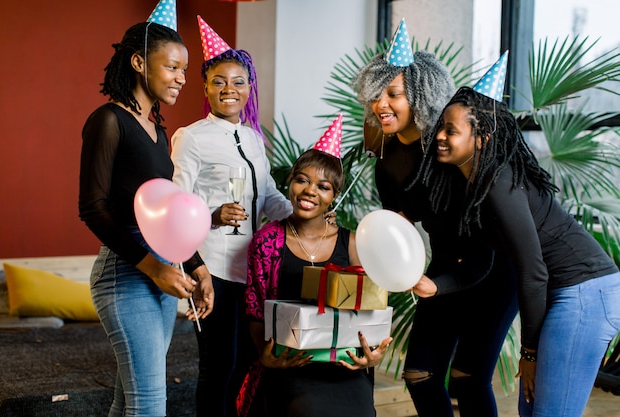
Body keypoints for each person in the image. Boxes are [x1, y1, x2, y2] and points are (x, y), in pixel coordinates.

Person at [352, 19, 518, 417]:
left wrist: (438, 283)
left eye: (393, 93)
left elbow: (483, 245)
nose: (381, 104)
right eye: (376, 94)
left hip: (494, 269)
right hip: (445, 264)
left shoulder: (450, 148)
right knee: (420, 375)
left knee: (468, 378)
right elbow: (398, 224)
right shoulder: (384, 154)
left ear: (421, 94)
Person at [423, 83, 620, 417]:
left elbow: (533, 271)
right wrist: (437, 286)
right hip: (564, 292)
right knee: (530, 408)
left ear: (481, 137)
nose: (439, 135)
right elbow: (481, 263)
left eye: (450, 130)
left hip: (586, 292)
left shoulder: (498, 182)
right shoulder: (473, 185)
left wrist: (529, 353)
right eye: (441, 126)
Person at [78, 4, 214, 416]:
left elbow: (168, 213)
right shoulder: (107, 121)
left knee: (129, 401)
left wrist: (197, 267)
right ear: (139, 62)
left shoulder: (158, 131)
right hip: (125, 274)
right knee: (150, 403)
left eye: (185, 70)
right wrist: (154, 268)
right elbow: (92, 208)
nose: (182, 79)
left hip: (162, 273)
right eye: (172, 67)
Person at [171, 16, 292, 417]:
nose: (229, 89)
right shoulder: (191, 137)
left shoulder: (254, 138)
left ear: (249, 87)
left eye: (239, 81)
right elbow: (177, 209)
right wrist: (213, 215)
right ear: (205, 87)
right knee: (218, 367)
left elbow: (269, 196)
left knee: (246, 364)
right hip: (214, 269)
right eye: (219, 81)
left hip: (254, 269)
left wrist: (308, 219)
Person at [241, 123, 393, 417]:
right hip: (290, 364)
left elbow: (371, 309)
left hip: (344, 365)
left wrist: (372, 356)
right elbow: (254, 310)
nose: (309, 191)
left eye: (322, 186)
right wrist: (266, 357)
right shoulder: (266, 241)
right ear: (290, 182)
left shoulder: (351, 243)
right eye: (302, 180)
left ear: (334, 195)